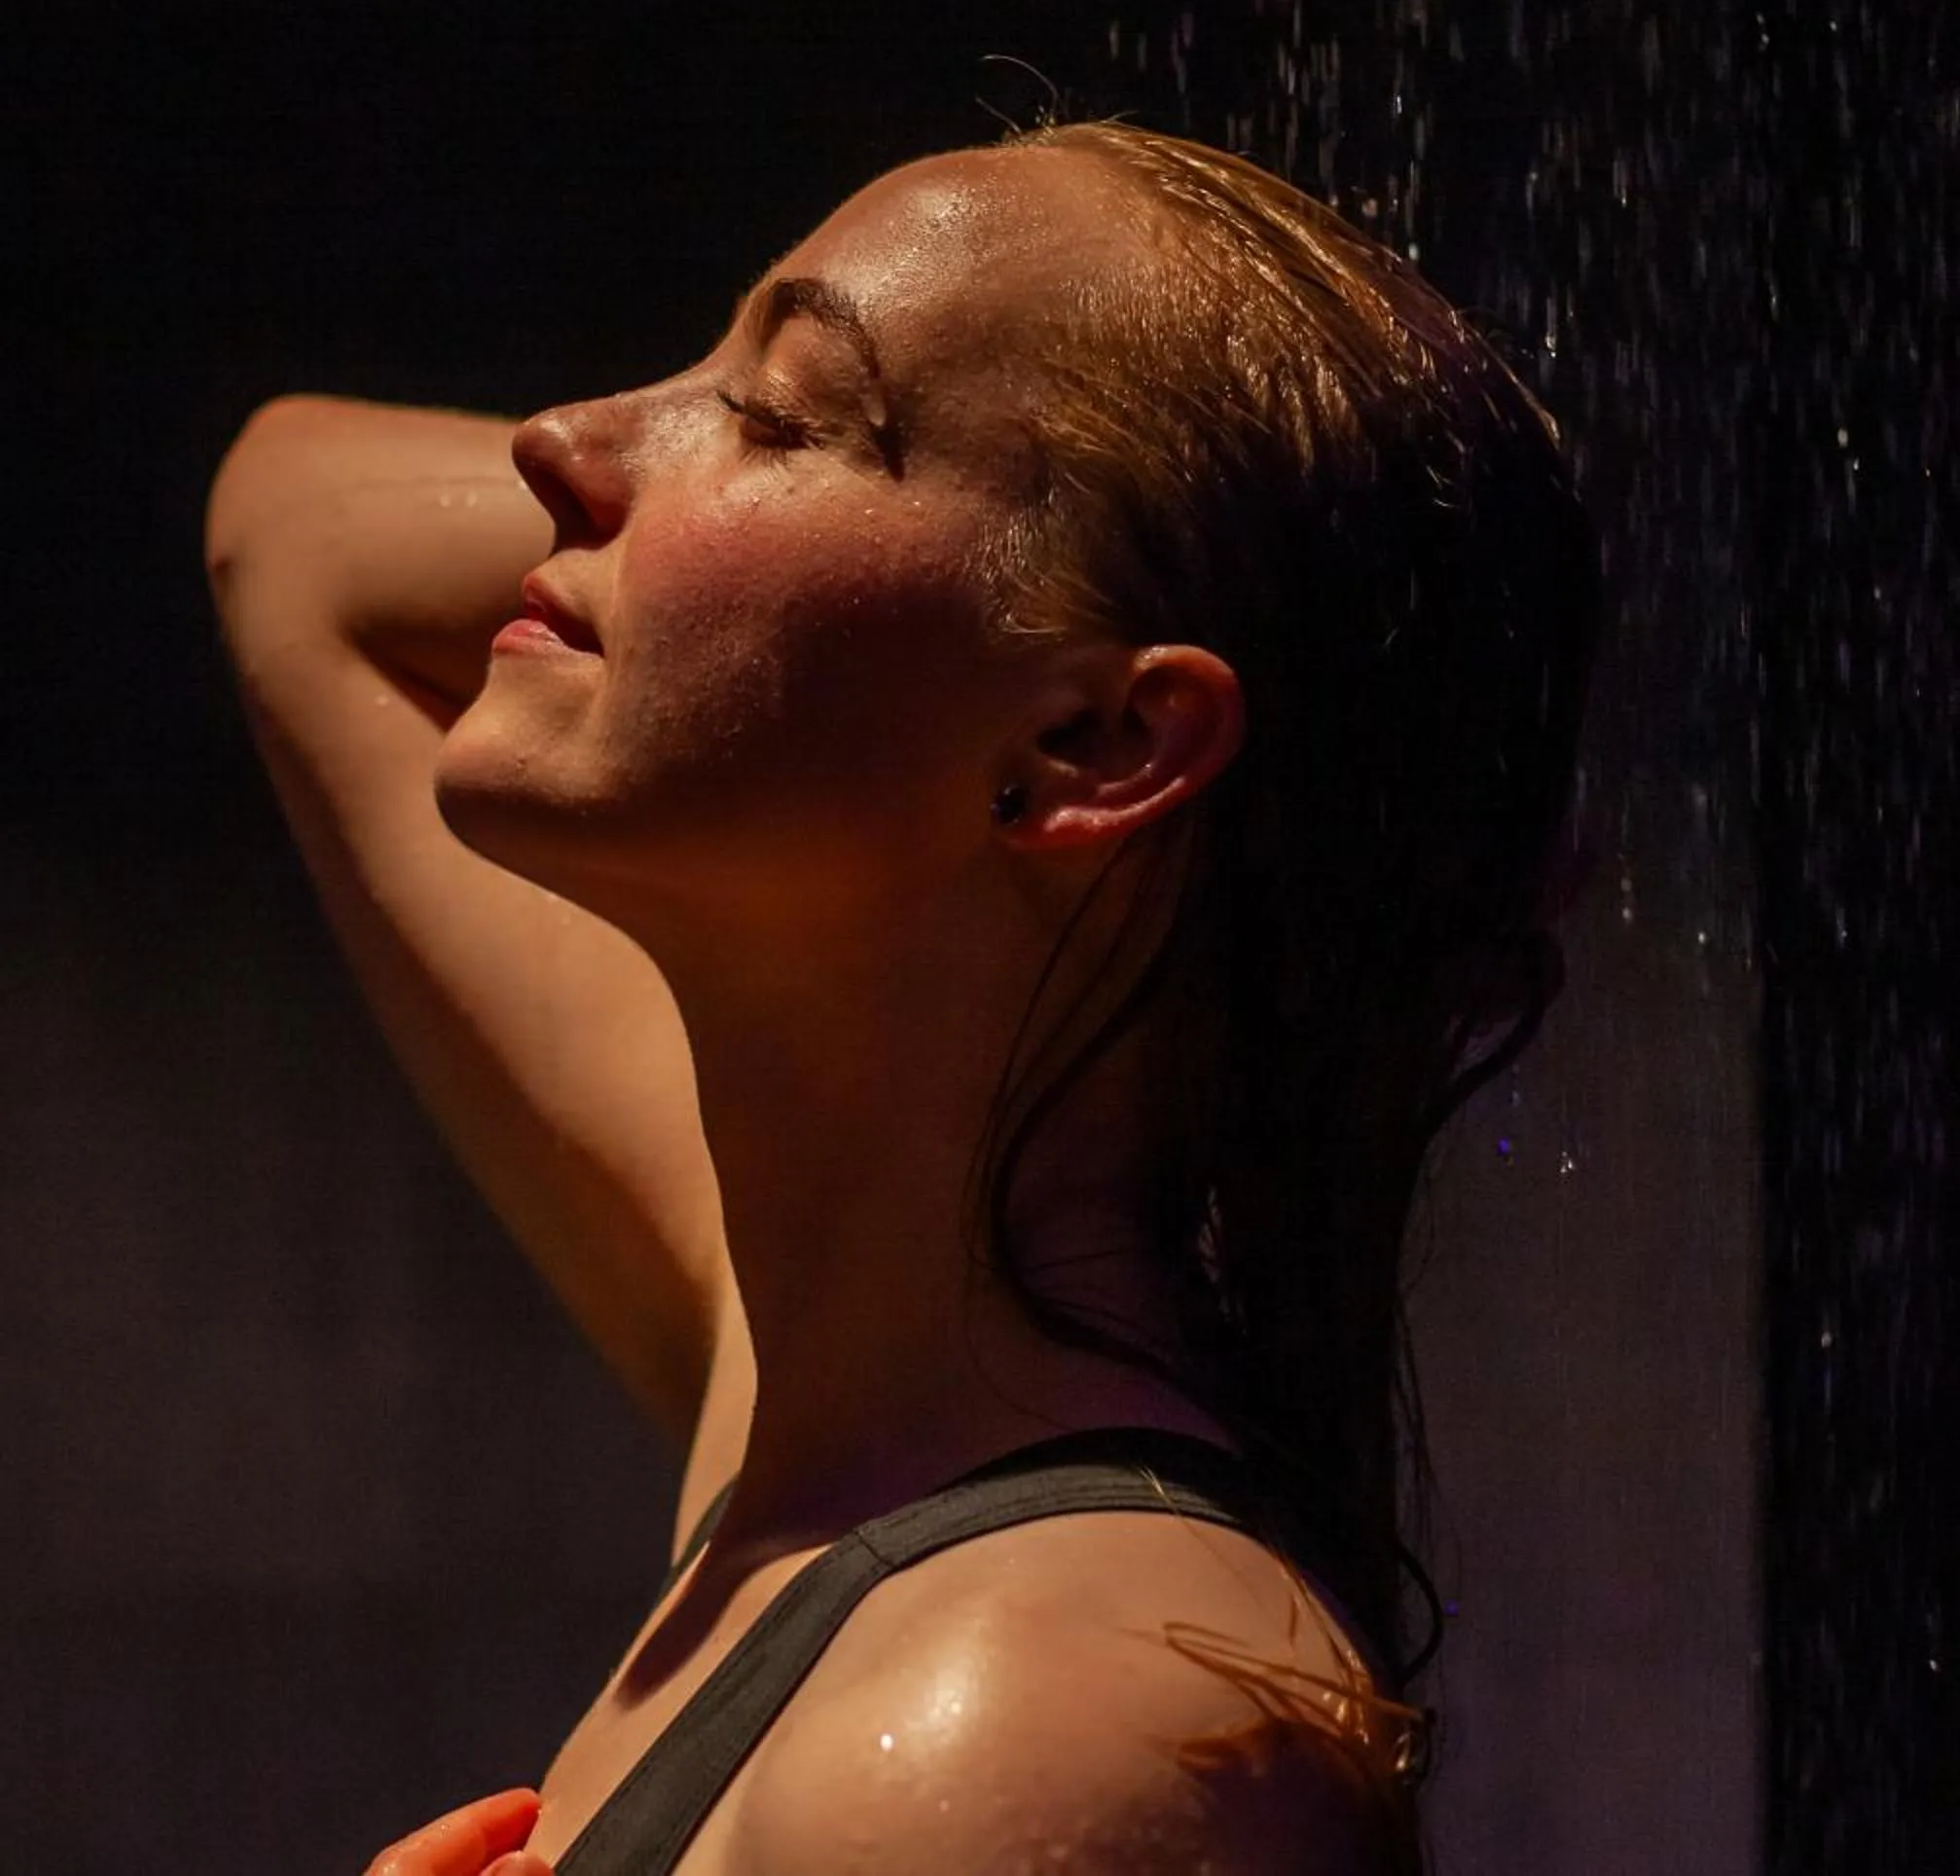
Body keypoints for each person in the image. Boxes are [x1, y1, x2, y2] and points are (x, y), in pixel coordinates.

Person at [205, 121, 1600, 1876]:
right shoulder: (836, 1406)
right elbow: (293, 518)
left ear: (1095, 739)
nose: (561, 443)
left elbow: (307, 538)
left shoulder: (1011, 1734)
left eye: (779, 409)